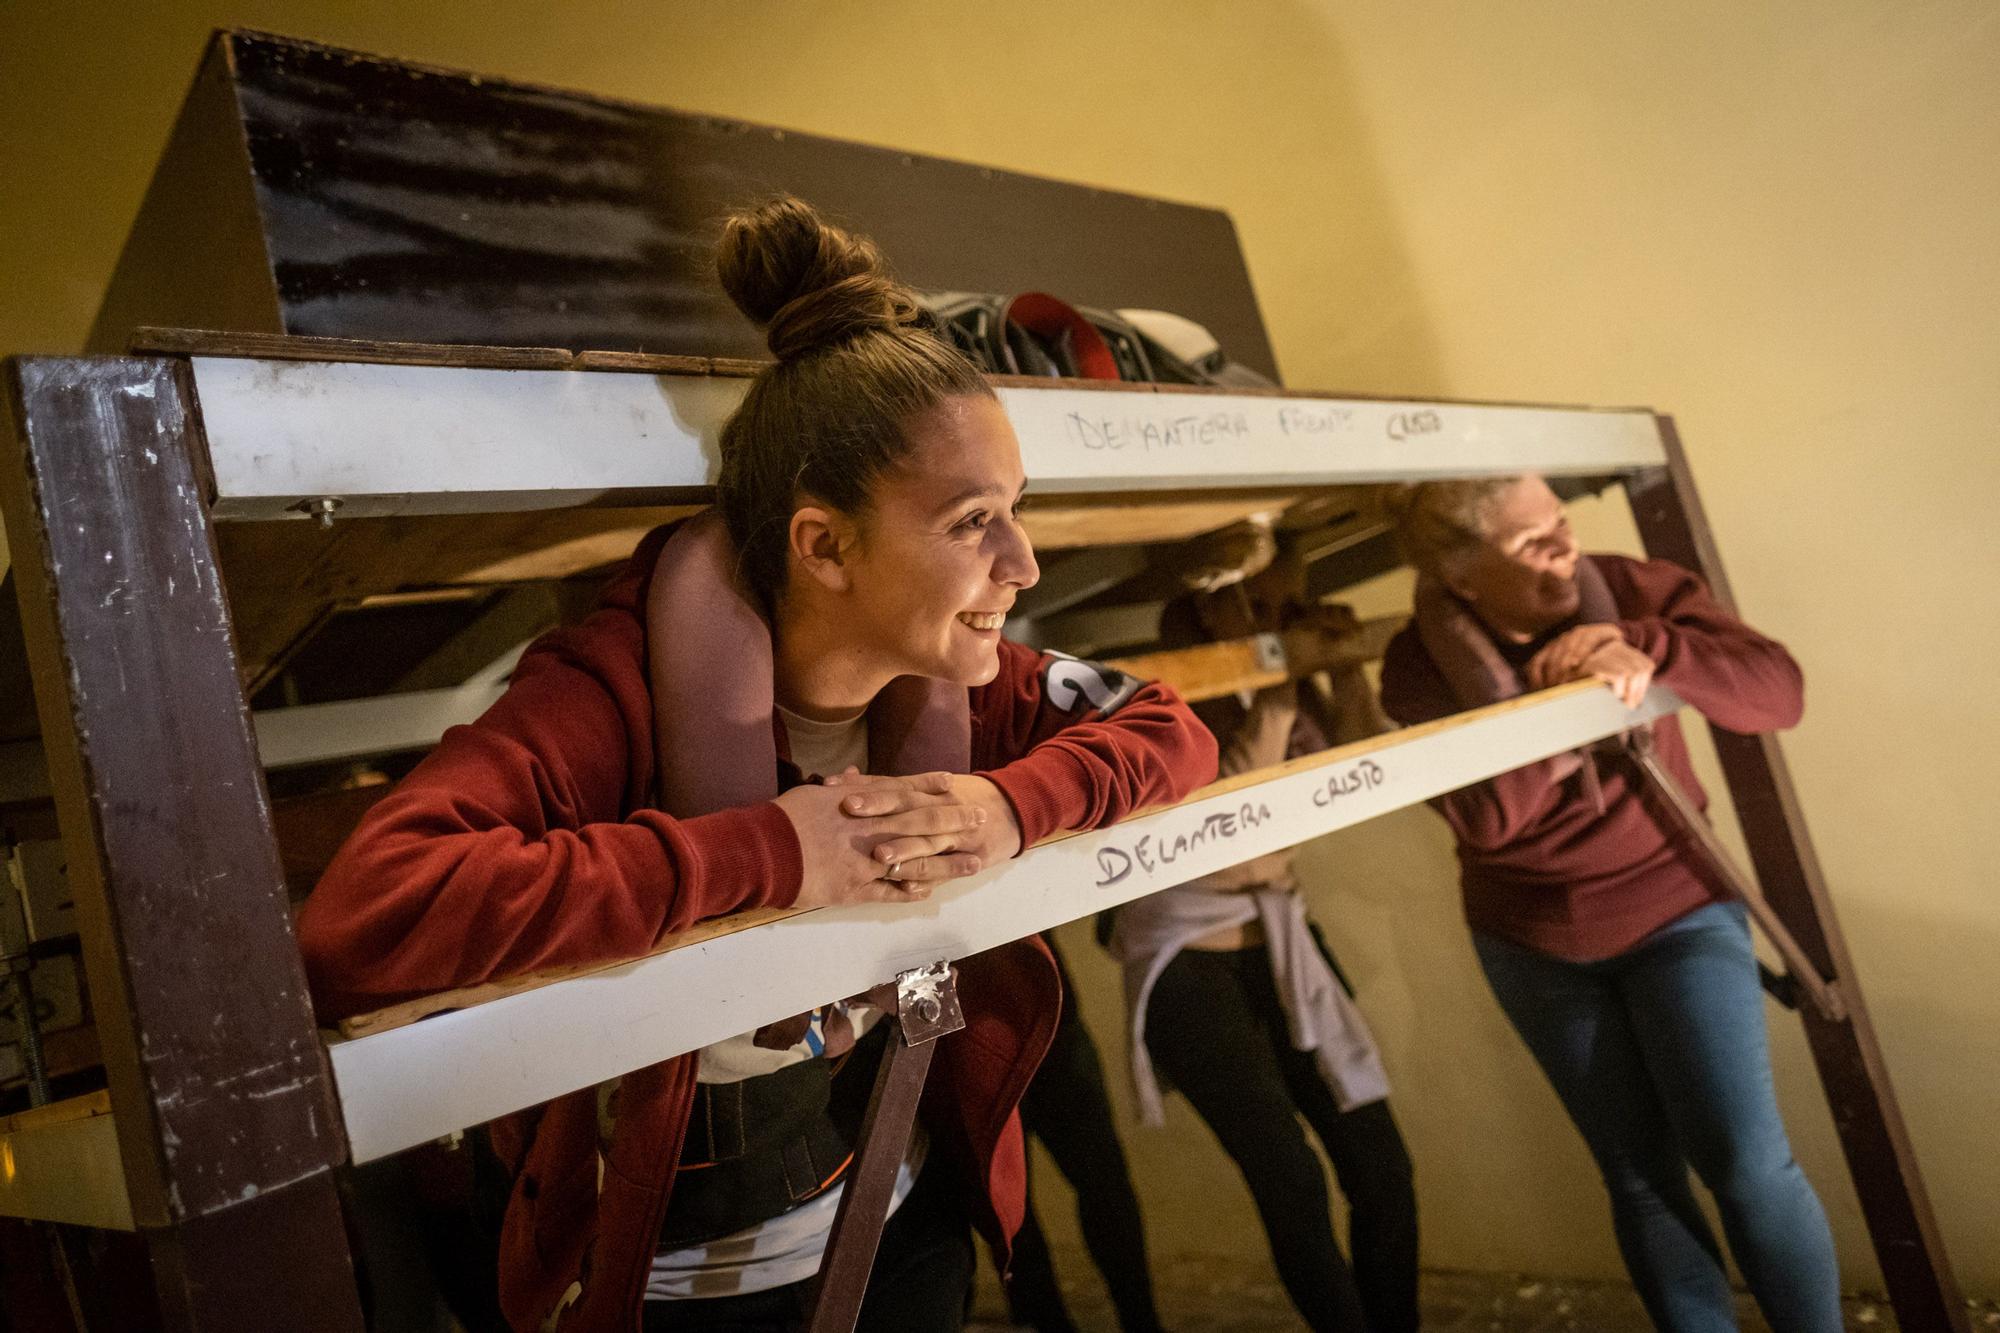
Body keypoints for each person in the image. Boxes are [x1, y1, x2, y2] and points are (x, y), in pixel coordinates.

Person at [297, 196, 1217, 1333]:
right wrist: (771, 850)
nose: (1021, 562)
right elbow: (365, 916)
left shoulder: (964, 678)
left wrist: (1004, 808)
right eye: (973, 520)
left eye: (1015, 512)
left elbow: (1170, 726)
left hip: (900, 1214)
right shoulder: (611, 690)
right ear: (823, 545)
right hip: (678, 1285)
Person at [1376, 475, 1841, 1333]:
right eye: (1528, 543)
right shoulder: (1416, 662)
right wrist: (1569, 705)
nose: (1563, 549)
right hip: (1533, 941)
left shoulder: (1630, 588)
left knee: (1745, 1164)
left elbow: (1777, 692)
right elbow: (1488, 820)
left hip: (1679, 906)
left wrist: (1640, 644)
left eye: (1560, 523)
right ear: (1460, 574)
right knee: (1639, 1177)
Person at [1107, 545, 1420, 1333]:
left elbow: (1365, 766)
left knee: (1382, 1166)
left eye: (1295, 598)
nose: (1291, 611)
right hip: (1188, 957)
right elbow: (1232, 833)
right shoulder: (1175, 689)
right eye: (1271, 603)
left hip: (1279, 935)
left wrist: (1342, 664)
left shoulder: (1285, 667)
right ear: (1220, 605)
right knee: (1290, 1176)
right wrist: (1278, 679)